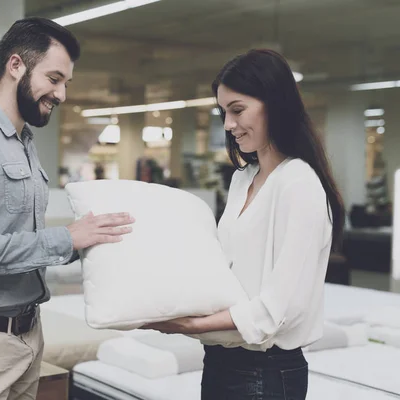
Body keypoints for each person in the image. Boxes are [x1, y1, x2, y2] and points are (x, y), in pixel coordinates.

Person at [0, 17, 134, 400]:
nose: (62, 94)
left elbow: (15, 235)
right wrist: (63, 239)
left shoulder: (22, 141)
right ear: (16, 66)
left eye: (66, 82)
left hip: (24, 334)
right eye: (53, 79)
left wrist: (83, 241)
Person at [141, 49, 345, 399]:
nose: (228, 125)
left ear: (274, 104)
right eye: (223, 113)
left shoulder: (298, 183)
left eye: (237, 110)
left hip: (264, 374)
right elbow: (226, 275)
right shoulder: (242, 180)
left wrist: (188, 325)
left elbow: (279, 308)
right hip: (219, 363)